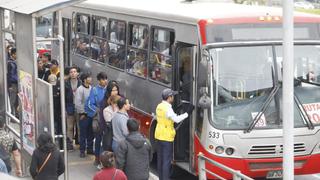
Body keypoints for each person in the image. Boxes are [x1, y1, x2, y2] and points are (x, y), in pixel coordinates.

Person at [155, 88, 189, 180]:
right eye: (172, 96)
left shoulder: (160, 106)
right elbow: (176, 119)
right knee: (166, 161)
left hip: (159, 135)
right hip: (166, 137)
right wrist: (187, 113)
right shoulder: (168, 108)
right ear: (169, 97)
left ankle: (161, 178)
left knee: (160, 160)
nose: (173, 97)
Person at [85, 72, 108, 166]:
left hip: (108, 119)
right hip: (99, 119)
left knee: (107, 140)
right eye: (103, 79)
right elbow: (89, 104)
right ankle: (97, 158)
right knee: (98, 139)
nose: (105, 81)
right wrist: (98, 110)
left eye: (106, 78)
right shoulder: (94, 90)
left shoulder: (109, 90)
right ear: (99, 80)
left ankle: (106, 160)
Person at [75, 72, 93, 158]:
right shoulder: (80, 89)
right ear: (85, 80)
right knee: (83, 134)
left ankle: (89, 148)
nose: (91, 79)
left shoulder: (91, 88)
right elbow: (78, 103)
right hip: (84, 115)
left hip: (91, 115)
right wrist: (82, 113)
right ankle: (82, 150)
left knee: (90, 133)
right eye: (89, 78)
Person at [65, 67, 81, 150]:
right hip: (70, 107)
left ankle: (80, 143)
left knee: (79, 126)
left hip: (79, 108)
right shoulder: (66, 83)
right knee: (70, 127)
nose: (73, 73)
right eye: (71, 72)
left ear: (77, 73)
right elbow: (63, 97)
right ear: (69, 74)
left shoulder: (81, 83)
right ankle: (70, 143)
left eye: (75, 72)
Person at [7, 48, 18, 116]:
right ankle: (10, 115)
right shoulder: (10, 63)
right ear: (13, 54)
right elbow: (8, 75)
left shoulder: (15, 62)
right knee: (12, 100)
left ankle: (16, 114)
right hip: (13, 84)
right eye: (16, 54)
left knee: (16, 100)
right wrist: (10, 85)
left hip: (17, 83)